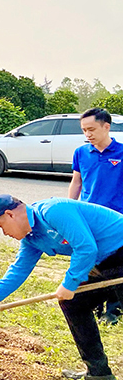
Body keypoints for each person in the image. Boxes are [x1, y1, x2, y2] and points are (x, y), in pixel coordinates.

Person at [0, 194, 123, 380]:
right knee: (74, 303)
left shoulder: (54, 211)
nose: (4, 233)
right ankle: (100, 375)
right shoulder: (31, 238)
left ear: (10, 214)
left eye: (0, 226)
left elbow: (86, 247)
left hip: (120, 249)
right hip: (105, 261)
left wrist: (70, 282)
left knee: (75, 297)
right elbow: (19, 269)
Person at [68, 108, 123, 323]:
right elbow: (77, 181)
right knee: (91, 259)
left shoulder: (121, 152)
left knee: (114, 264)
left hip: (116, 220)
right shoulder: (81, 153)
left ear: (106, 127)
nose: (87, 134)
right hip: (88, 219)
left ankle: (114, 309)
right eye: (84, 130)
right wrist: (70, 208)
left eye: (91, 129)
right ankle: (93, 304)